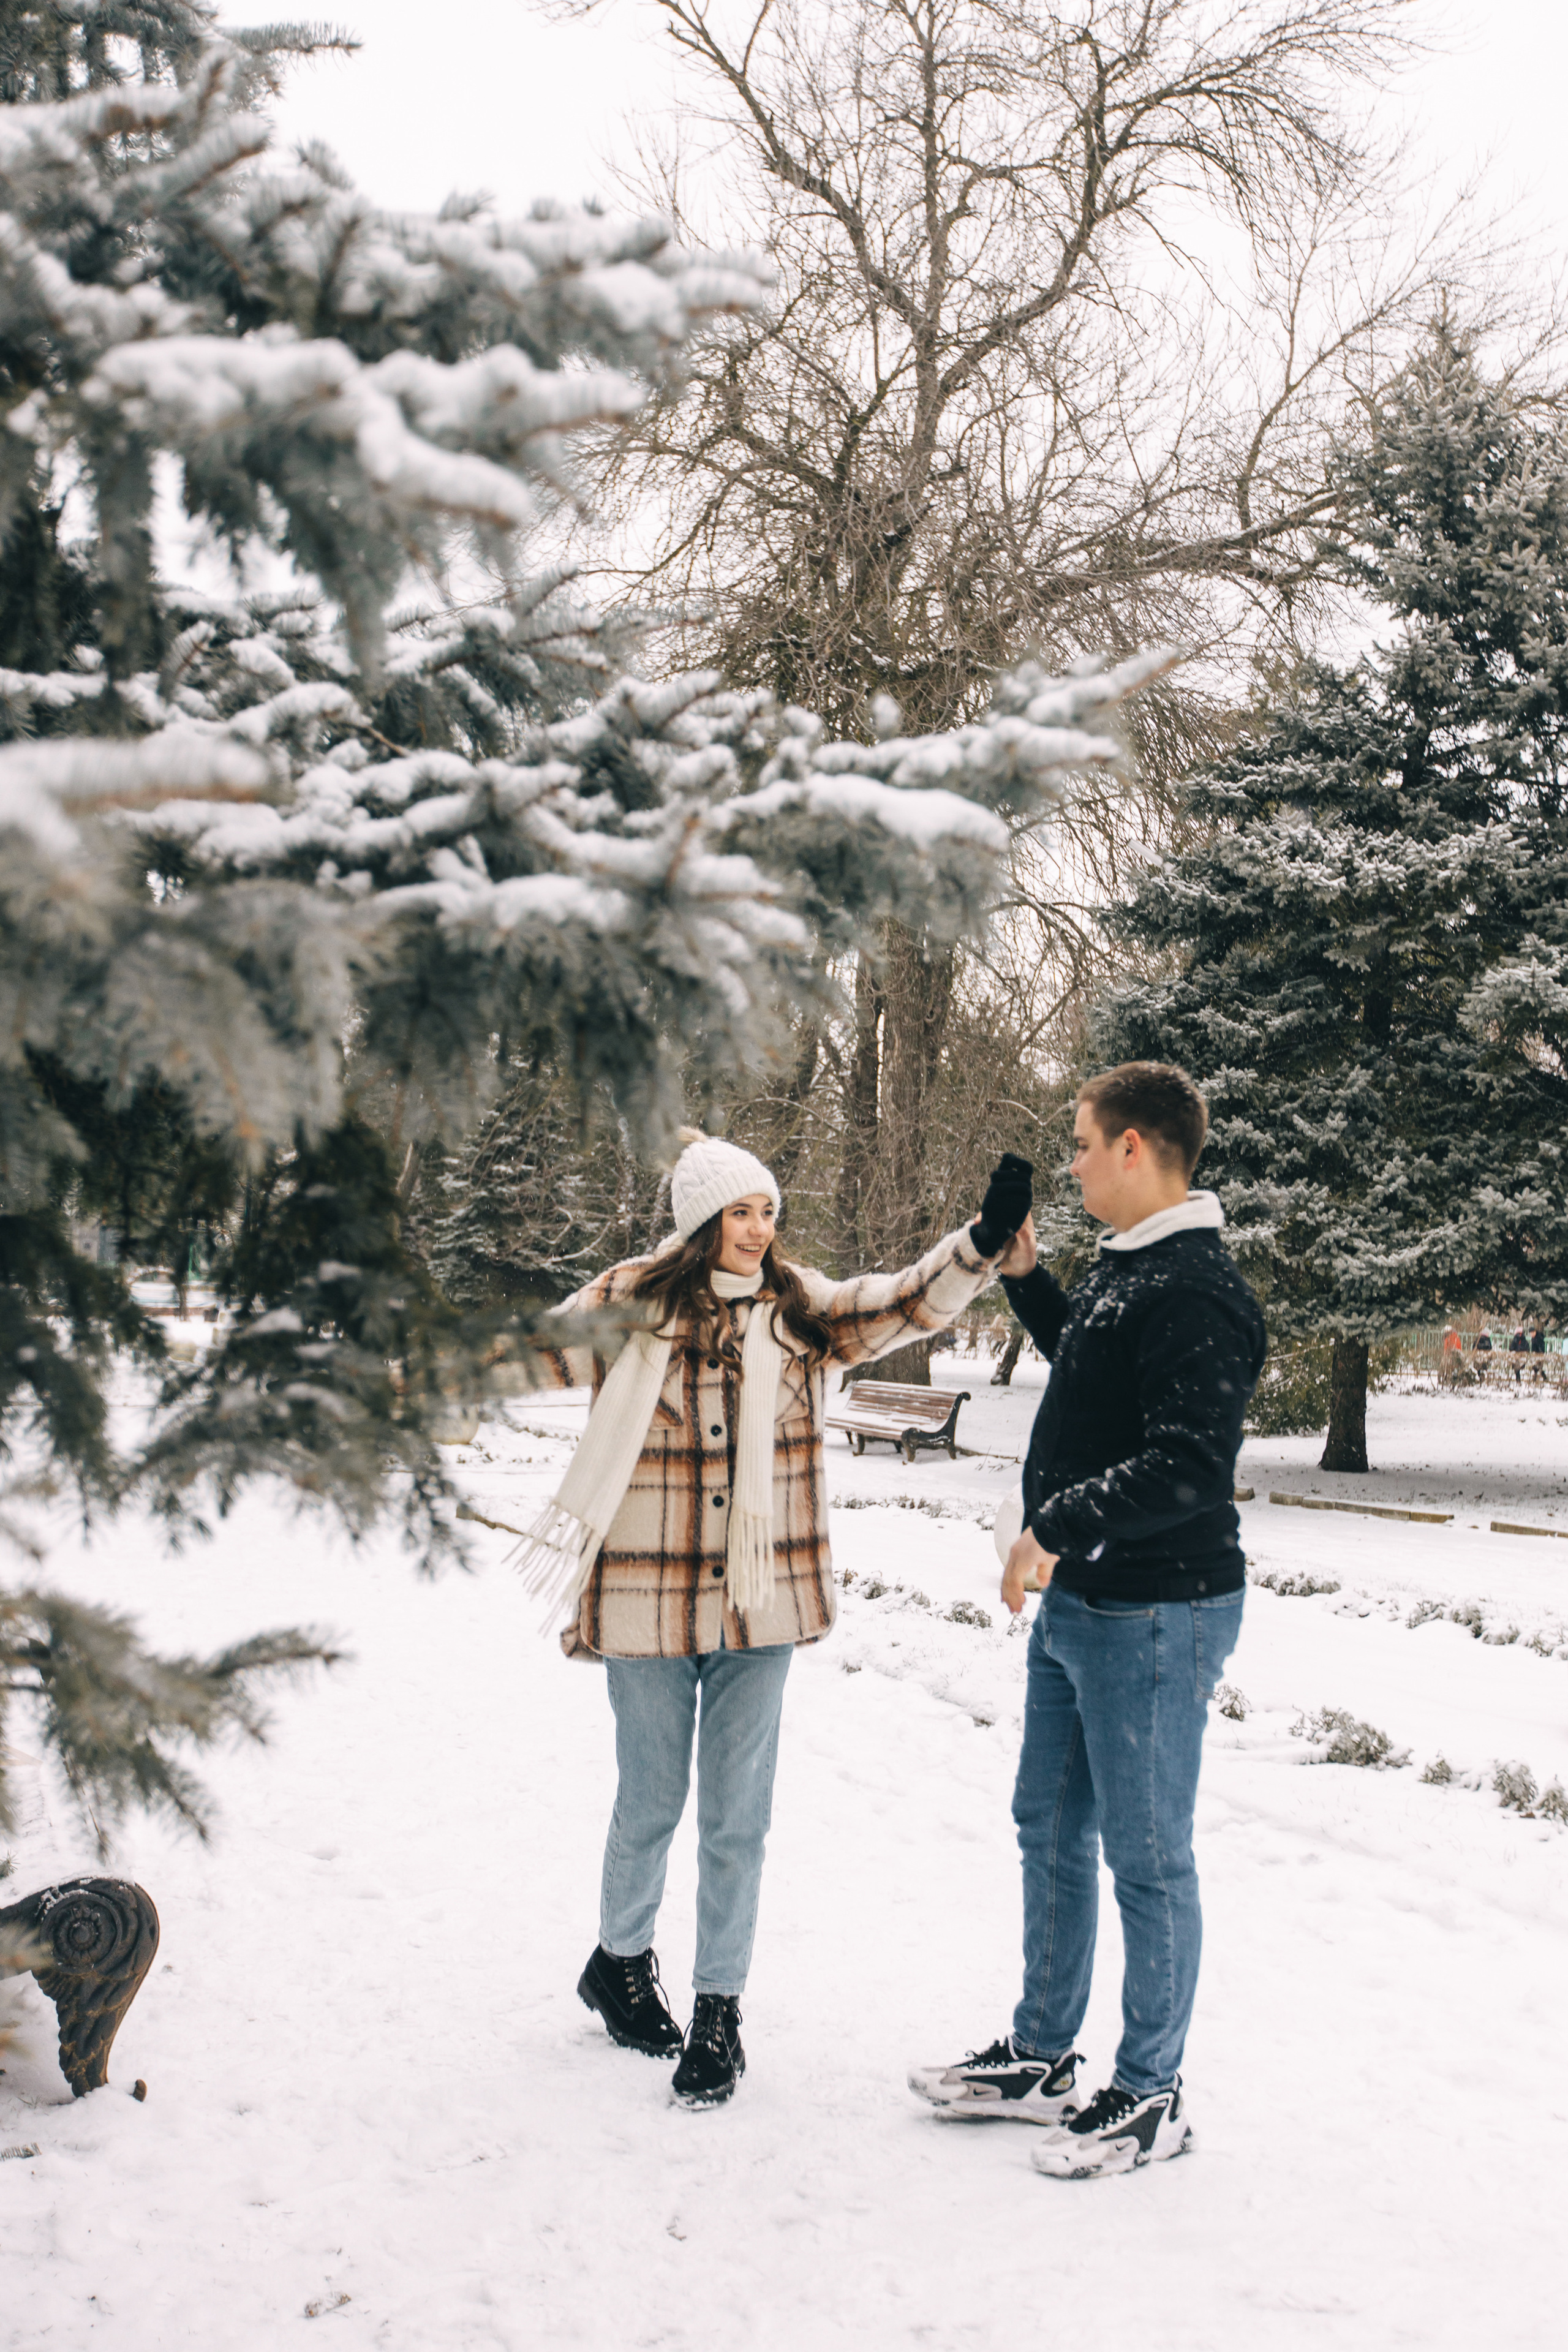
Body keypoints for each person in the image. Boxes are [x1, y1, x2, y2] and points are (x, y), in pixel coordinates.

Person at [516, 1130, 1031, 2108]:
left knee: (737, 1820)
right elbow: (531, 1354)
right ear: (702, 1220)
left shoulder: (801, 1313)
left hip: (762, 1602)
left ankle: (719, 2012)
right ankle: (619, 1963)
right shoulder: (633, 1303)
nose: (759, 1231)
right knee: (651, 1801)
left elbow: (898, 1303)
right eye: (741, 1213)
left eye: (767, 1212)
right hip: (647, 1595)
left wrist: (981, 1239)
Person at [910, 1063, 1266, 2180]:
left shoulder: (1197, 1287)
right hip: (1088, 1606)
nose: (1066, 1162)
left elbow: (1190, 1464)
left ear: (1132, 1148)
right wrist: (1029, 1282)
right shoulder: (1132, 1272)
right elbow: (1102, 1373)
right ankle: (1042, 2056)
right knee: (1048, 1826)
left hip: (1159, 1612)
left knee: (1148, 1858)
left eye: (1079, 1143)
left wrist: (1054, 1525)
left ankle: (1151, 2092)